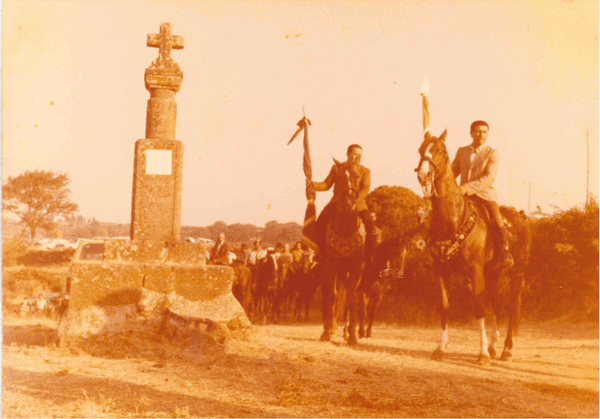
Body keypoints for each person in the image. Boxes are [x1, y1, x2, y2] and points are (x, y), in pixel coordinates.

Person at [451, 120, 514, 268]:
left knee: (496, 216)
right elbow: (453, 171)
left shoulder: (492, 153)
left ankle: (504, 250)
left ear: (488, 134)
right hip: (463, 196)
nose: (481, 134)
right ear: (471, 133)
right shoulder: (462, 151)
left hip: (484, 194)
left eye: (484, 132)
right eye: (478, 131)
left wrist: (466, 188)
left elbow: (489, 178)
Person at [309, 144, 376, 268]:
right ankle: (322, 254)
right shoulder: (337, 168)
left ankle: (368, 257)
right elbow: (326, 184)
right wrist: (312, 185)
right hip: (337, 203)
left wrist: (355, 200)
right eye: (355, 154)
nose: (357, 157)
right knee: (319, 224)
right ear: (348, 154)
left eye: (360, 155)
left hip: (358, 204)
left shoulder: (365, 171)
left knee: (371, 226)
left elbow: (365, 188)